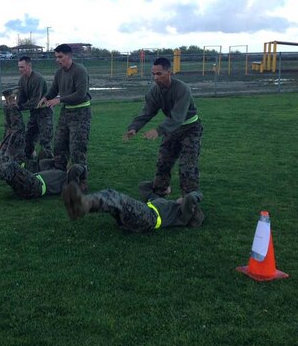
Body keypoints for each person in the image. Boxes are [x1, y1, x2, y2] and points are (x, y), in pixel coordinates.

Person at [123, 57, 203, 197]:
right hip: (171, 130)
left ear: (169, 72)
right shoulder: (154, 92)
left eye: (159, 74)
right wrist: (134, 127)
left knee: (187, 167)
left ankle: (190, 201)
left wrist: (158, 130)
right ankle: (160, 193)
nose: (155, 78)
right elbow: (147, 112)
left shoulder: (182, 89)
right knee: (163, 163)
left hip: (190, 129)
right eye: (153, 74)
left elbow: (178, 117)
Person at [38, 44, 91, 186]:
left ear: (69, 56)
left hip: (80, 113)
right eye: (56, 57)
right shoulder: (59, 73)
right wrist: (46, 97)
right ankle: (59, 176)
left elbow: (80, 94)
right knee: (59, 145)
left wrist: (59, 100)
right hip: (66, 112)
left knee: (77, 148)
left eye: (60, 57)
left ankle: (82, 179)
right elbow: (54, 89)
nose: (57, 60)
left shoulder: (80, 71)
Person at [61, 180, 205, 232]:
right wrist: (161, 187)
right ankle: (78, 206)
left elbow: (192, 197)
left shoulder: (181, 214)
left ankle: (83, 203)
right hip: (138, 218)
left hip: (148, 218)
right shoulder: (163, 201)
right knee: (113, 203)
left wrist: (196, 195)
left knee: (115, 196)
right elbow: (143, 187)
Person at [0, 155, 86, 200]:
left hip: (35, 186)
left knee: (12, 167)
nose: (70, 164)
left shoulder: (69, 181)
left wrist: (83, 172)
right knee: (8, 168)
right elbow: (44, 157)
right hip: (30, 184)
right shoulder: (60, 172)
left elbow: (77, 169)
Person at [17, 56, 53, 159]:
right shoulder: (22, 80)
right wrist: (15, 104)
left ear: (29, 66)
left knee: (45, 139)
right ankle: (28, 160)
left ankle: (48, 163)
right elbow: (21, 97)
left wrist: (20, 107)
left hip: (44, 112)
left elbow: (35, 101)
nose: (20, 70)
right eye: (19, 67)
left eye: (22, 67)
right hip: (34, 113)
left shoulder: (38, 79)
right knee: (29, 137)